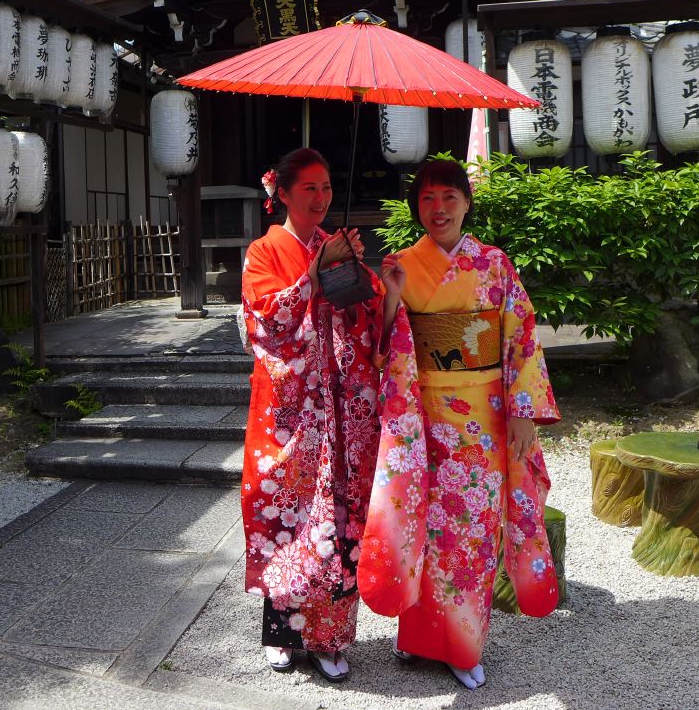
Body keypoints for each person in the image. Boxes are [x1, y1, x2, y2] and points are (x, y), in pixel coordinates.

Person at [359, 157, 561, 690]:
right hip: (423, 423)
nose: (439, 208)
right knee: (418, 529)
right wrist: (394, 296)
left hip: (483, 423)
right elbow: (385, 350)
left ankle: (462, 644)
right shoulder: (401, 263)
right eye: (427, 198)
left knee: (469, 535)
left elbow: (522, 338)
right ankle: (417, 640)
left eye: (449, 196)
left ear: (467, 202)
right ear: (415, 208)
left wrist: (523, 413)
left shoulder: (494, 265)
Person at [240, 147, 400, 684]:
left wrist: (373, 280)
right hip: (292, 413)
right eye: (308, 187)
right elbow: (266, 323)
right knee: (287, 512)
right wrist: (314, 272)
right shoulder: (264, 252)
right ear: (281, 194)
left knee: (340, 516)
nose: (321, 196)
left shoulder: (339, 245)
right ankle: (283, 632)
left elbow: (370, 315)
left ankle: (331, 637)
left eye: (326, 186)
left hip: (344, 408)